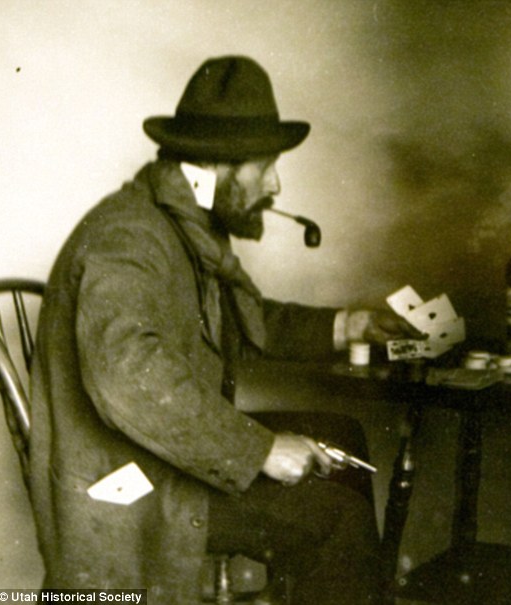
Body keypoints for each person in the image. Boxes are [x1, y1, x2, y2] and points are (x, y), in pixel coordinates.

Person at [29, 56, 419, 604]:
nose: (275, 185)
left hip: (159, 455)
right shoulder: (129, 236)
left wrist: (349, 324)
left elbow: (243, 320)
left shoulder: (185, 226)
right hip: (128, 484)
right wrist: (258, 450)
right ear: (218, 165)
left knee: (343, 439)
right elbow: (125, 375)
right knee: (335, 518)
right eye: (266, 167)